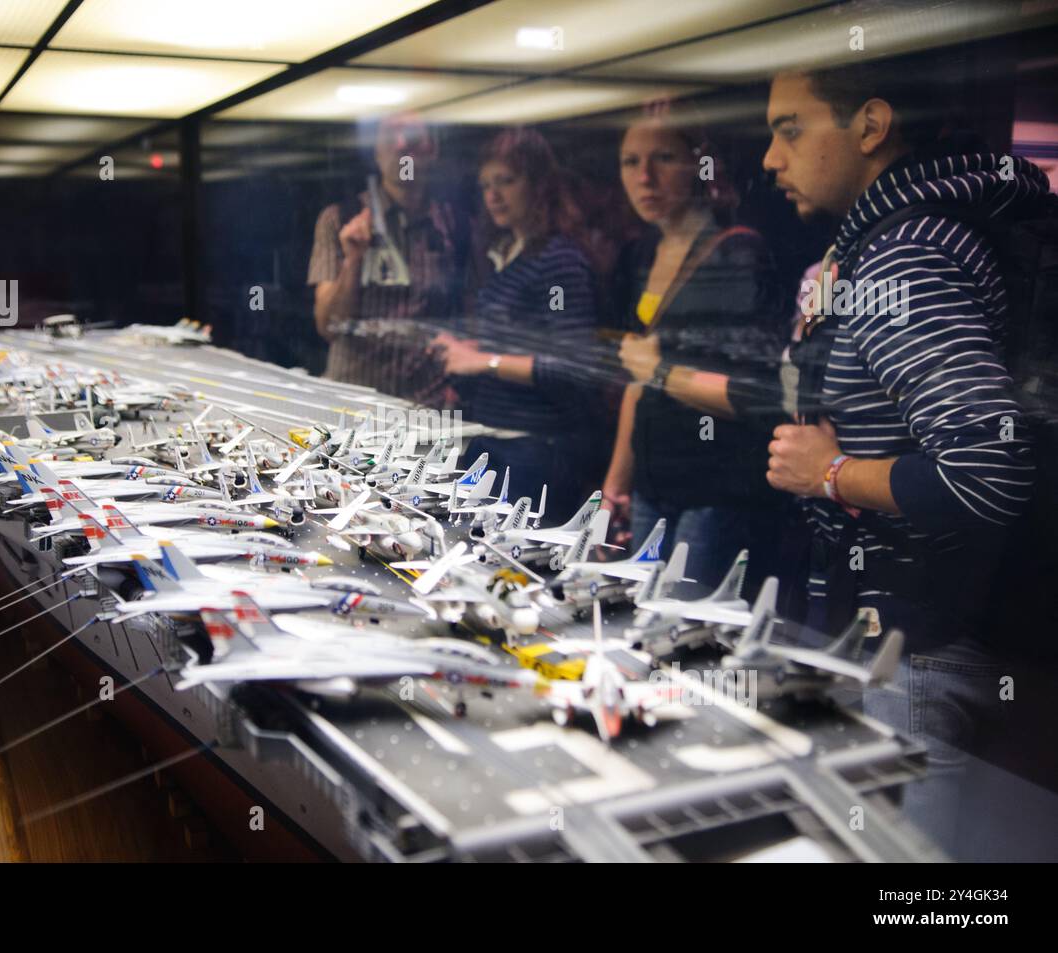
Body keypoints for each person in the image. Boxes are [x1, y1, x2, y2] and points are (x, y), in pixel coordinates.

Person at [759, 60, 1051, 858]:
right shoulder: (885, 247)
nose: (769, 158)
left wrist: (826, 473)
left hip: (906, 648)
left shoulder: (903, 258)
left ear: (871, 125)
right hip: (895, 630)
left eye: (790, 129)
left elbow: (989, 470)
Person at [602, 113, 789, 588]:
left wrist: (662, 370)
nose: (644, 177)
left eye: (663, 158)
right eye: (630, 162)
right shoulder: (642, 252)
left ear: (700, 166)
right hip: (651, 483)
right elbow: (636, 377)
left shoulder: (738, 254)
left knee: (685, 631)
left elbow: (757, 393)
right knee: (641, 616)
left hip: (714, 490)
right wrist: (615, 485)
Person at [432, 128, 600, 524]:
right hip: (499, 441)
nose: (493, 195)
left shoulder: (560, 261)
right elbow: (518, 346)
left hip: (534, 452)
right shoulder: (511, 252)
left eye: (506, 181)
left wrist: (481, 362)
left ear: (540, 185)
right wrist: (466, 351)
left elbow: (572, 368)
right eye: (486, 185)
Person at [308, 113, 461, 403]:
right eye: (391, 139)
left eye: (414, 141)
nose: (402, 147)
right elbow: (327, 326)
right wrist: (353, 260)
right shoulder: (340, 218)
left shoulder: (454, 224)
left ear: (432, 151)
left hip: (427, 402)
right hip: (355, 399)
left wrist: (461, 382)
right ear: (377, 153)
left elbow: (469, 314)